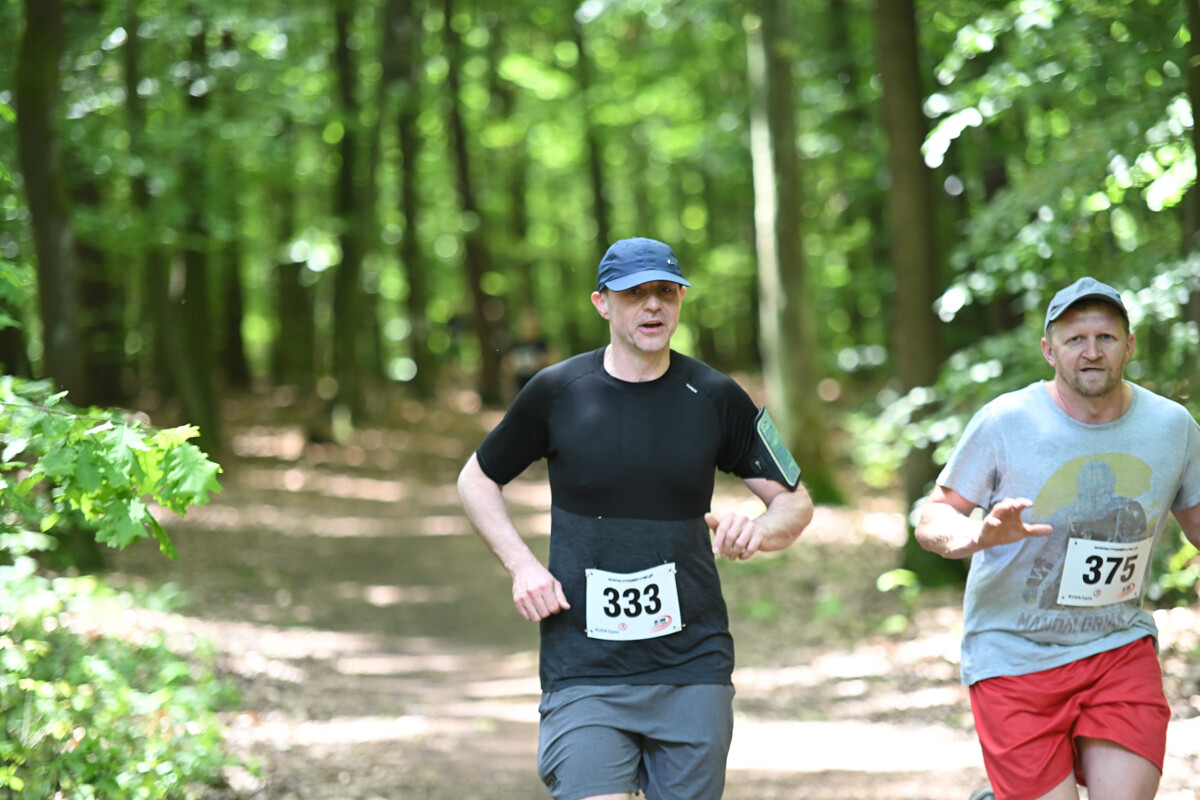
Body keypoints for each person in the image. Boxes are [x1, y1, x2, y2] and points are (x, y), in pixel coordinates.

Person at [457, 236, 814, 800]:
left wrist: (761, 529)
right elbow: (476, 478)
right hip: (584, 665)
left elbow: (795, 499)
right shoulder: (556, 392)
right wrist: (522, 566)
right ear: (602, 303)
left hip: (692, 665)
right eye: (635, 293)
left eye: (666, 293)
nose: (653, 306)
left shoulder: (718, 396)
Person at [914, 276, 1200, 800]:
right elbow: (932, 519)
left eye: (1106, 338)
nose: (1091, 352)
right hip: (1014, 651)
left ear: (1129, 345)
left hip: (1117, 645)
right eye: (1075, 340)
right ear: (1049, 350)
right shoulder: (1006, 421)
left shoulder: (1172, 427)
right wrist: (978, 535)